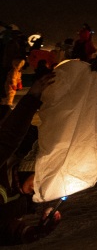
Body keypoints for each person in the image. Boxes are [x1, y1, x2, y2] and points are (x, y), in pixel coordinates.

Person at [0, 72, 60, 245]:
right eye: (40, 178)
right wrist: (32, 98)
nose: (38, 187)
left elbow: (4, 227)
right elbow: (8, 139)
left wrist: (30, 232)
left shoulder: (22, 199)